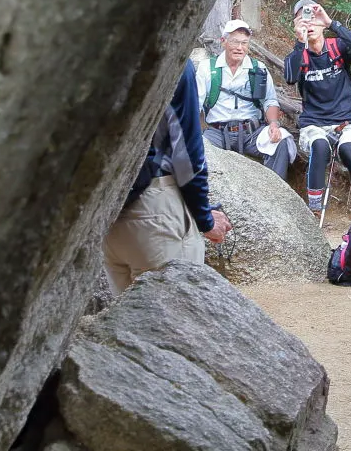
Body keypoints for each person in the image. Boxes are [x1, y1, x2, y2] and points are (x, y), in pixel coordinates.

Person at [104, 59, 233, 293]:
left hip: (108, 216)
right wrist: (205, 219)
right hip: (155, 209)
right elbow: (187, 154)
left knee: (125, 326)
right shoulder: (173, 58)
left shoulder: (100, 53)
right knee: (180, 322)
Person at [284, 0, 351, 211]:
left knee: (347, 147)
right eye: (303, 19)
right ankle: (314, 208)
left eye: (313, 18)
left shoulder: (338, 47)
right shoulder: (298, 55)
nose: (310, 24)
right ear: (296, 25)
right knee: (319, 145)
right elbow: (290, 77)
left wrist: (330, 23)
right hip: (314, 122)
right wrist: (300, 43)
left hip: (347, 119)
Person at [196, 19, 293, 179]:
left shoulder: (258, 69)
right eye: (235, 42)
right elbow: (196, 104)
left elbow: (269, 101)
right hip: (216, 132)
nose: (240, 48)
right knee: (197, 149)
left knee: (280, 141)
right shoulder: (207, 68)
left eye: (244, 43)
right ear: (223, 42)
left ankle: (274, 192)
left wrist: (274, 125)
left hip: (251, 132)